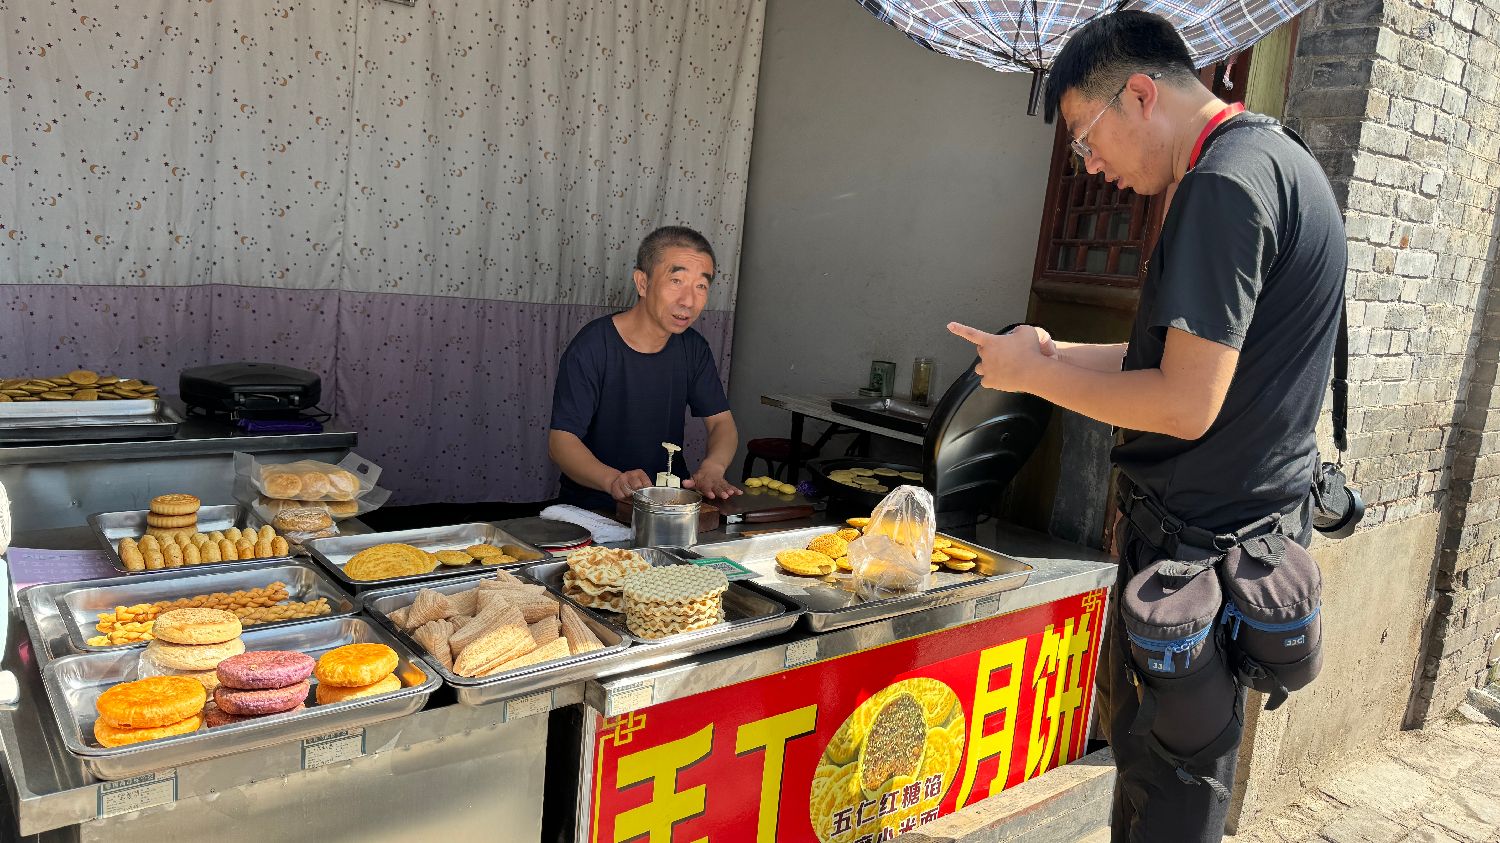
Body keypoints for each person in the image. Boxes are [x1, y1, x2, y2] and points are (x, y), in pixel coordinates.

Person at [948, 11, 1346, 842]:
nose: (1090, 165)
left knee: (1169, 793)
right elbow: (1169, 363)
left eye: (1085, 137)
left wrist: (1036, 377)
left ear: (1138, 95)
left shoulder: (1222, 186)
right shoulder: (1277, 158)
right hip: (1241, 535)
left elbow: (1183, 403)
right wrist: (1050, 353)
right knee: (1170, 780)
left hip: (1198, 552)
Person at [549, 226, 742, 510]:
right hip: (594, 508)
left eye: (701, 286)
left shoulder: (693, 348)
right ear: (642, 283)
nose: (689, 301)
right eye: (676, 281)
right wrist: (612, 480)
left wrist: (714, 467)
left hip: (668, 505)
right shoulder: (593, 346)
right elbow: (561, 441)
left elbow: (721, 423)